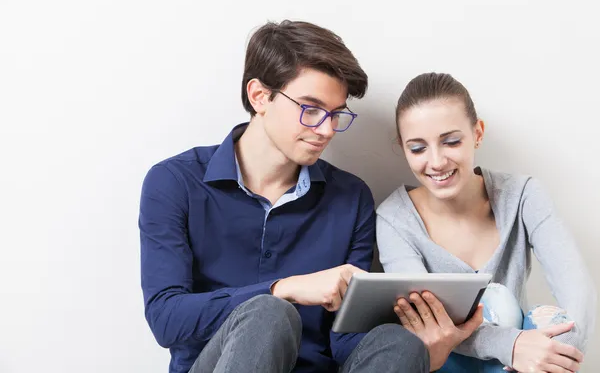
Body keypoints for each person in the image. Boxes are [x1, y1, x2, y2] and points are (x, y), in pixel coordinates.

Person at [139, 21, 480, 373]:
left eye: (335, 114)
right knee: (268, 313)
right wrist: (282, 289)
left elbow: (344, 340)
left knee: (399, 342)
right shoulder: (175, 182)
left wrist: (422, 345)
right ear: (259, 96)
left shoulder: (351, 198)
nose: (327, 129)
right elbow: (166, 319)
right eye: (311, 109)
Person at [376, 72, 597, 372]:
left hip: (523, 365)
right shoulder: (393, 219)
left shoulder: (523, 196)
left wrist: (558, 354)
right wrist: (511, 345)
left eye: (451, 141)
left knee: (549, 319)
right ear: (403, 148)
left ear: (478, 133)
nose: (437, 161)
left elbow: (576, 291)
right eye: (418, 148)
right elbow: (427, 323)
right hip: (445, 363)